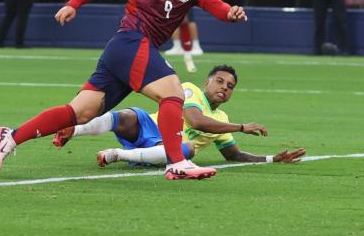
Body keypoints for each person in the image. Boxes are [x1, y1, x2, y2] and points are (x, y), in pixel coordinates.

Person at [0, 0, 249, 180]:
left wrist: (230, 13)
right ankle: (177, 162)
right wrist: (74, 4)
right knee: (173, 92)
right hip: (130, 42)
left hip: (125, 53)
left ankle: (11, 136)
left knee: (80, 113)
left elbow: (216, 6)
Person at [52, 65, 306, 167]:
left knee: (187, 149)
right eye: (219, 81)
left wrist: (272, 159)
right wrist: (240, 126)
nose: (224, 88)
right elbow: (194, 120)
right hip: (148, 126)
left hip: (164, 147)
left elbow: (234, 155)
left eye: (229, 87)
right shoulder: (190, 89)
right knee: (129, 115)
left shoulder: (222, 118)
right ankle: (74, 129)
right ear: (207, 82)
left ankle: (117, 155)